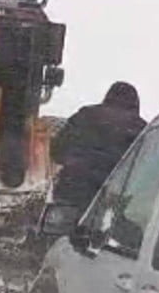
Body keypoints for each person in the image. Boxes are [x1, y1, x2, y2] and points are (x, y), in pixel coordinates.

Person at [50, 81, 145, 216]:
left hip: (72, 194)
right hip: (113, 200)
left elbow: (56, 151)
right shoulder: (141, 129)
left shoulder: (84, 115)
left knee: (60, 226)